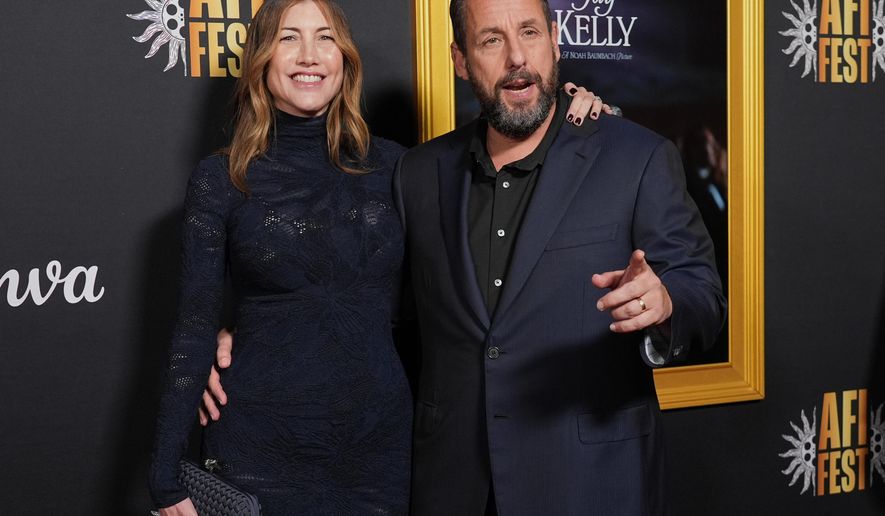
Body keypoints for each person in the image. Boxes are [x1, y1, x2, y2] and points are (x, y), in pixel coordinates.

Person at [149, 0, 608, 514]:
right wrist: (166, 479)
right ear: (261, 57)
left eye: (325, 37)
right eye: (287, 38)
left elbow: (507, 154)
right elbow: (193, 329)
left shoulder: (399, 167)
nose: (309, 54)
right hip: (257, 449)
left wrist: (571, 113)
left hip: (380, 454)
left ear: (344, 56)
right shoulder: (220, 181)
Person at [392, 0, 725, 514]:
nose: (517, 57)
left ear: (555, 40)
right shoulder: (417, 173)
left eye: (529, 32)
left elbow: (702, 293)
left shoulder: (636, 158)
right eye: (491, 40)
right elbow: (389, 315)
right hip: (454, 487)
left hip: (591, 483)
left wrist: (665, 304)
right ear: (460, 59)